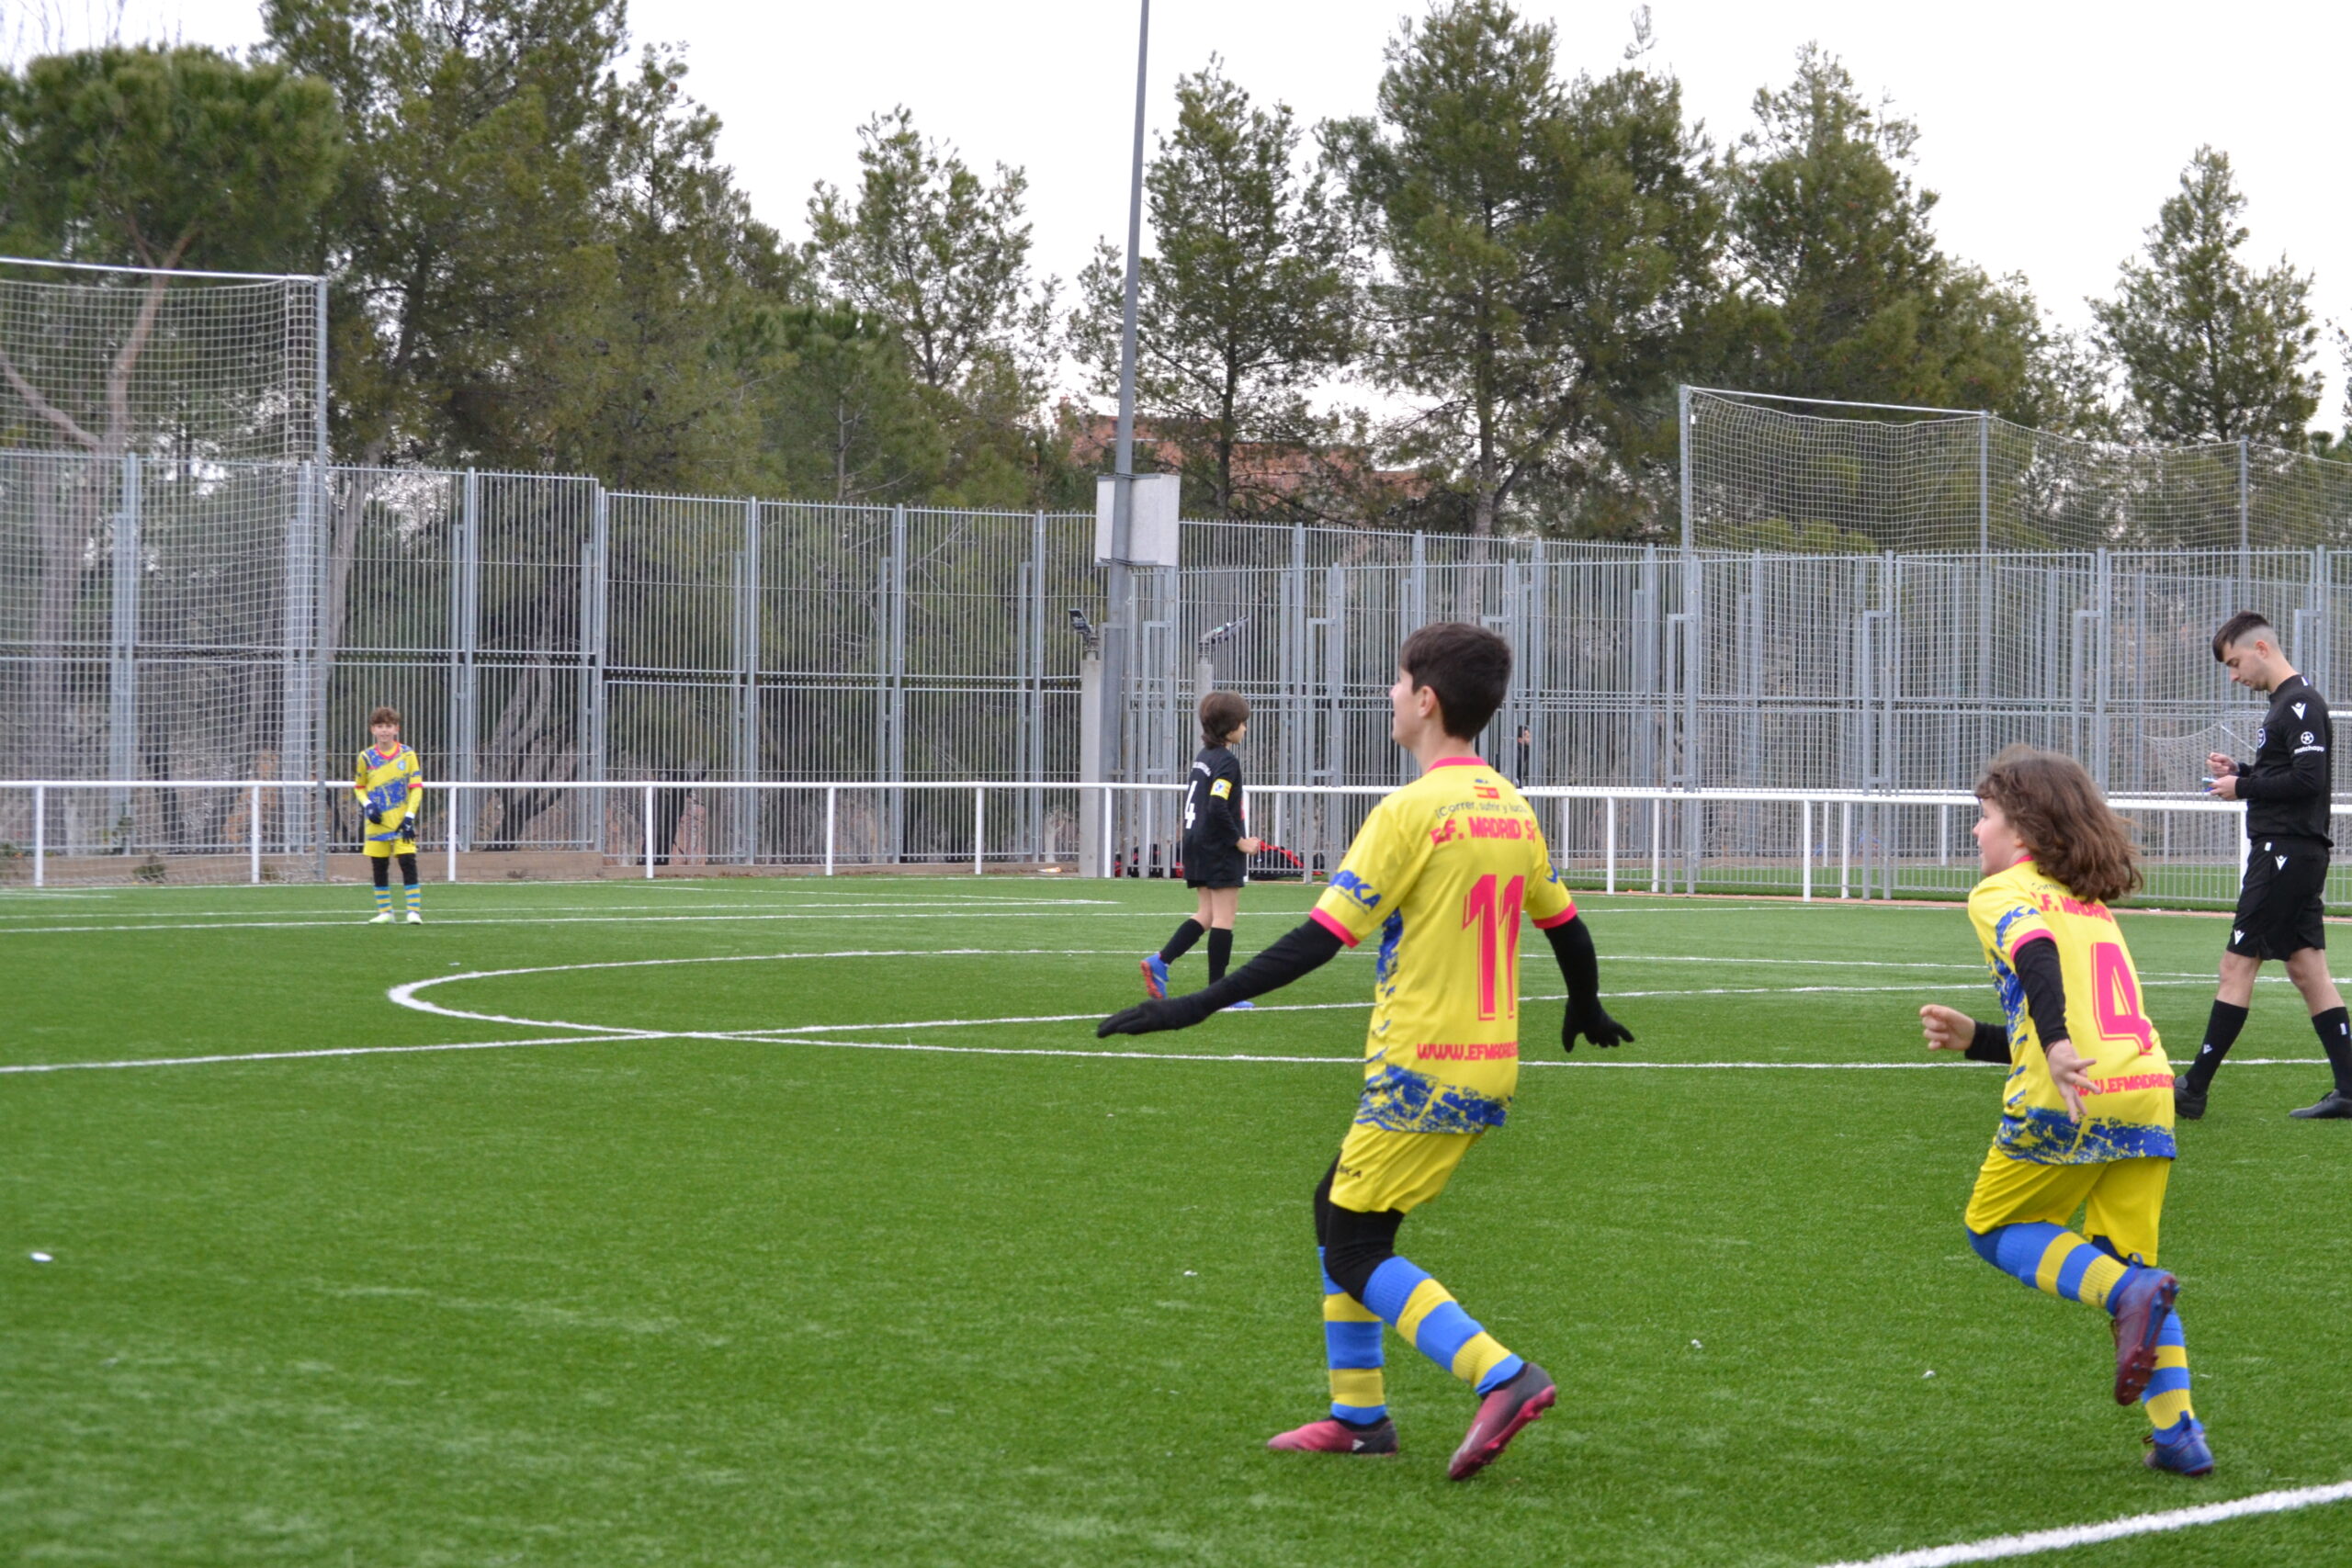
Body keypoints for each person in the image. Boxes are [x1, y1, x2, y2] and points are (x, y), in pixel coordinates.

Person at [1101, 623, 1633, 1480]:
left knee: (1353, 1248)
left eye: (1397, 681)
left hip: (1421, 1064)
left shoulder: (1410, 810)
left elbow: (1318, 939)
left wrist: (1196, 1003)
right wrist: (1585, 1002)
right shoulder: (1509, 804)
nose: (1389, 694)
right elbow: (1566, 924)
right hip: (1486, 1061)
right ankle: (1360, 1418)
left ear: (1426, 698)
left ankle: (1501, 1375)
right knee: (1337, 1212)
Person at [1917, 746, 2209, 1476]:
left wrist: (2051, 1044)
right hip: (2147, 1089)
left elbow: (2035, 952)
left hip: (2071, 1096)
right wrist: (1980, 1040)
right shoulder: (2091, 904)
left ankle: (2131, 1293)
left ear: (2021, 828)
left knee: (1991, 1227)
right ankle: (2179, 1435)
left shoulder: (2000, 893)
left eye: (1984, 815)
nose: (1976, 830)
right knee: (2131, 1267)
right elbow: (2084, 1012)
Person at [2179, 611, 2352, 1120]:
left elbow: (2309, 780)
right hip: (2293, 852)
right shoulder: (2285, 704)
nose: (2234, 676)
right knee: (2307, 969)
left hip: (2285, 853)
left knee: (2237, 964)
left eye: (2235, 663)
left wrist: (2244, 786)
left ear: (2260, 648)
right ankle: (2350, 1091)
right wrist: (2244, 771)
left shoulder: (2300, 704)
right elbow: (2290, 774)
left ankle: (2193, 1089)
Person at [1141, 692, 1263, 1006]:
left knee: (1207, 913)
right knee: (1225, 917)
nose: (1245, 728)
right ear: (1229, 727)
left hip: (1195, 842)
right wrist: (1240, 841)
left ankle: (1160, 962)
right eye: (1242, 723)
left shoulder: (1203, 757)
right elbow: (1217, 806)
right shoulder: (1226, 761)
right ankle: (1219, 994)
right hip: (1218, 846)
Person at [355, 706, 424, 924]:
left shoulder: (407, 754)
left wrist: (410, 816)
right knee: (379, 865)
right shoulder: (366, 757)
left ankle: (413, 911)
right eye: (380, 726)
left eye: (388, 726)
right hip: (377, 824)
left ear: (396, 729)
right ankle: (385, 912)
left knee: (407, 862)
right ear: (372, 730)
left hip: (402, 821)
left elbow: (416, 787)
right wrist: (368, 805)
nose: (384, 730)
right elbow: (359, 787)